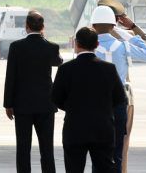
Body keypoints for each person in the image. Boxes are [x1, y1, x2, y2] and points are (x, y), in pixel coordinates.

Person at [90, 3, 146, 173]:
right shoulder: (124, 42)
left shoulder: (88, 44)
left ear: (93, 24)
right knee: (119, 150)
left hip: (96, 104)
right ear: (116, 21)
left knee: (97, 151)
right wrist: (132, 30)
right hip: (120, 101)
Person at [51, 27, 127, 173]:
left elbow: (55, 98)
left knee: (74, 168)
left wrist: (73, 107)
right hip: (102, 129)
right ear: (97, 44)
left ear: (76, 43)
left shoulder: (65, 69)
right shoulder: (109, 69)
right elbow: (119, 98)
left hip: (75, 128)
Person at [3, 10, 63, 173]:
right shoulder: (51, 47)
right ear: (43, 27)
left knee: (23, 148)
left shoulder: (16, 47)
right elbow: (58, 62)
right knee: (46, 149)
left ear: (26, 26)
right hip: (45, 104)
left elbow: (11, 77)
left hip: (22, 105)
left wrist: (8, 104)